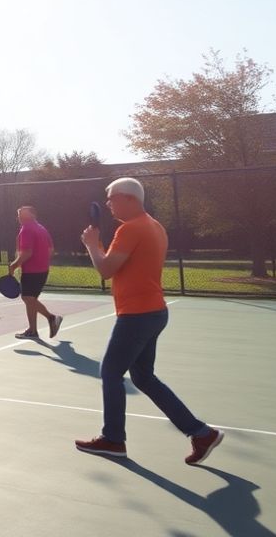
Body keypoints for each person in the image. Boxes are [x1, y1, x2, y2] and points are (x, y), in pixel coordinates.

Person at [75, 178, 223, 464]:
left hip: (137, 315)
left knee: (110, 373)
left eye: (112, 198)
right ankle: (201, 433)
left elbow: (106, 269)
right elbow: (123, 266)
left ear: (129, 198)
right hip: (154, 312)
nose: (108, 203)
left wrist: (92, 245)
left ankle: (113, 440)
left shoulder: (130, 228)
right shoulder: (154, 226)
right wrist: (100, 245)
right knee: (143, 377)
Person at [6, 206, 63, 340]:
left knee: (27, 298)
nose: (20, 216)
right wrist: (42, 261)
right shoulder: (41, 228)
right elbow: (51, 250)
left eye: (23, 214)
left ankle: (52, 318)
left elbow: (27, 253)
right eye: (19, 214)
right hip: (42, 270)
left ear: (32, 215)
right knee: (31, 299)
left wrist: (14, 265)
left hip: (32, 271)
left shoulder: (27, 229)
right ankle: (32, 331)